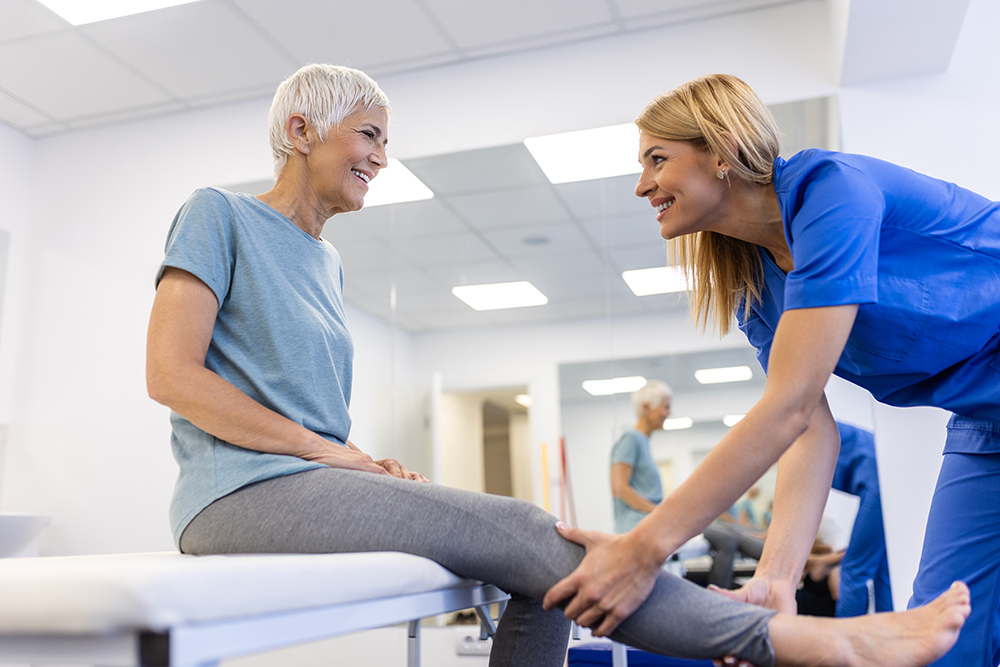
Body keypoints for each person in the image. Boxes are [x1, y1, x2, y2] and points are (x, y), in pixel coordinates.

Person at [146, 64, 971, 667]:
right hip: (236, 494)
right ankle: (792, 641)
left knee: (528, 565)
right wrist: (333, 454)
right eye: (370, 135)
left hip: (304, 481)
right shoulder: (218, 214)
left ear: (720, 153)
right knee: (526, 530)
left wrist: (355, 461)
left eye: (655, 159)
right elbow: (173, 377)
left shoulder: (323, 263)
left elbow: (799, 415)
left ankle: (794, 628)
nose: (382, 158)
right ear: (300, 131)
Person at [542, 73, 990, 666]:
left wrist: (643, 548)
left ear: (722, 151)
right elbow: (809, 429)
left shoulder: (834, 192)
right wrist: (778, 578)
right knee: (943, 644)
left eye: (656, 159)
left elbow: (790, 406)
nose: (641, 184)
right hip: (985, 425)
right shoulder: (754, 286)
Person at [832, 422, 891, 617]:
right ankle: (889, 639)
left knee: (854, 570)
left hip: (879, 482)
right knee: (883, 569)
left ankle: (845, 643)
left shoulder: (791, 427)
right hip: (890, 478)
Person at [611, 380, 671, 533]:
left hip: (649, 524)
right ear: (646, 407)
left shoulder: (643, 441)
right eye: (665, 407)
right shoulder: (630, 438)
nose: (669, 413)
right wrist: (657, 512)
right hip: (635, 527)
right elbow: (619, 487)